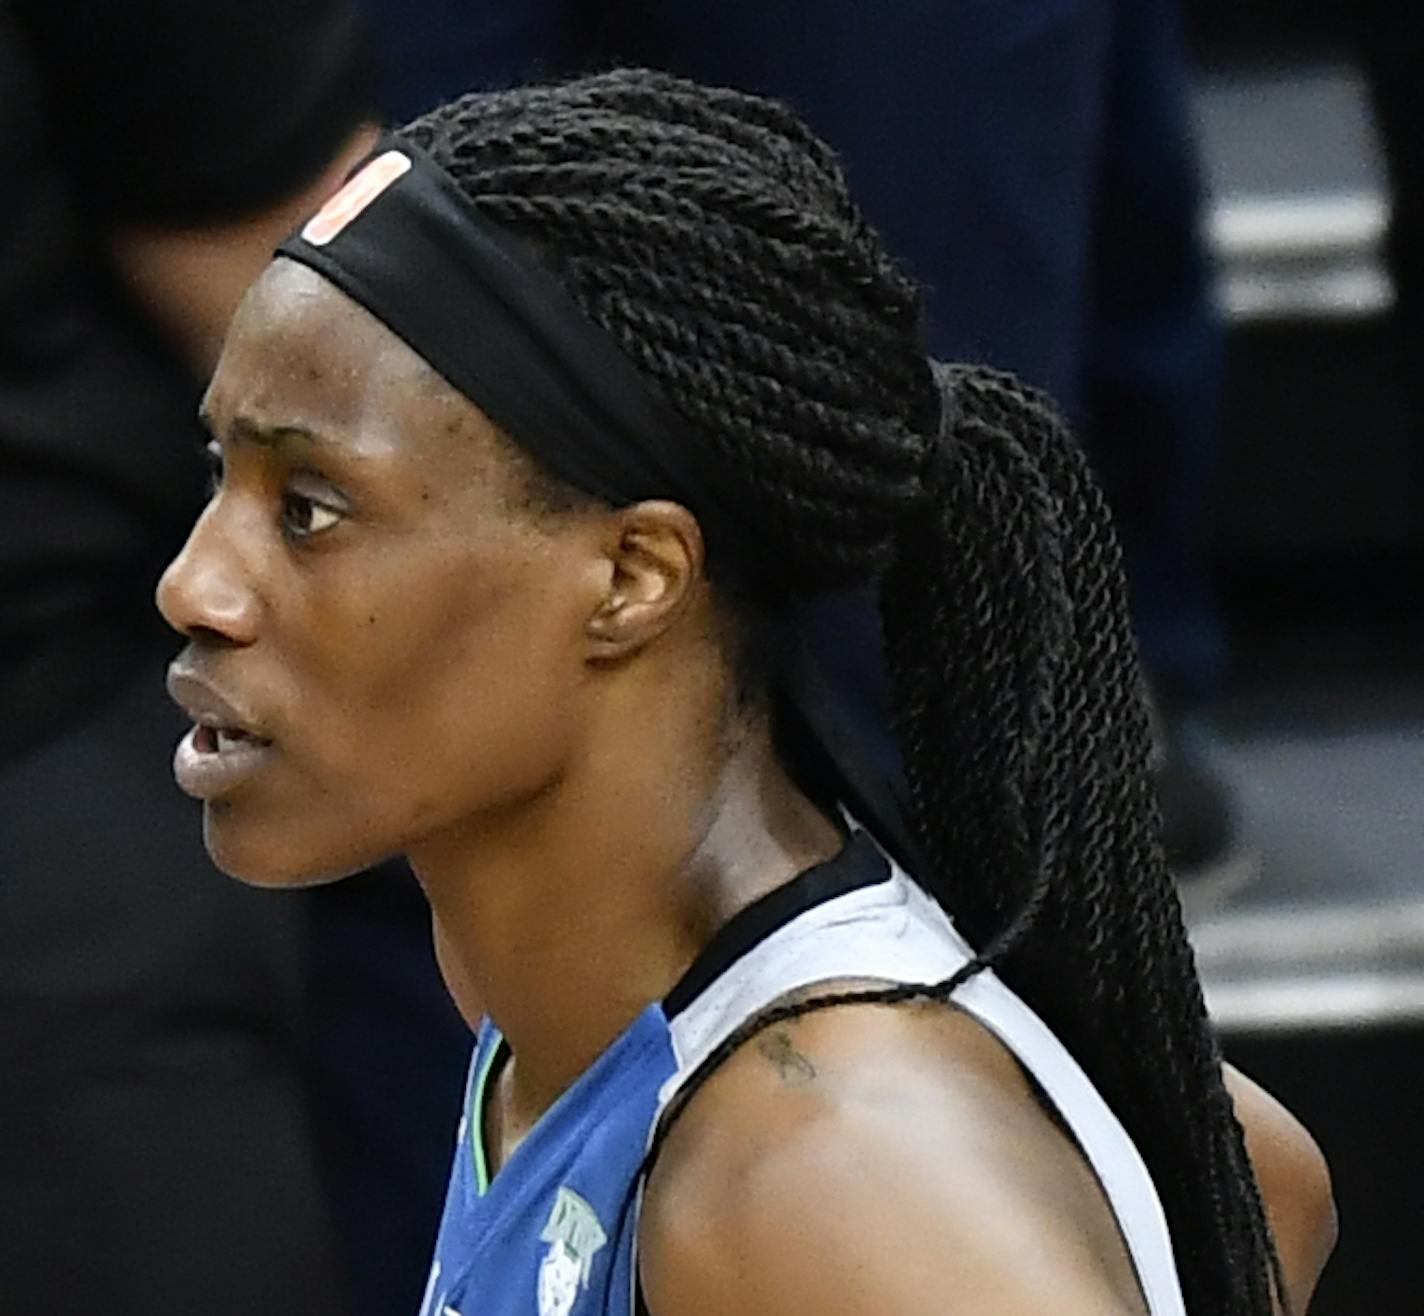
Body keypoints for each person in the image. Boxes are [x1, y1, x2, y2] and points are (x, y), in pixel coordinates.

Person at [156, 70, 1334, 1314]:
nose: (195, 584)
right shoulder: (566, 1000)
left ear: (630, 576)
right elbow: (1260, 1178)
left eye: (307, 509)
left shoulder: (821, 1174)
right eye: (218, 474)